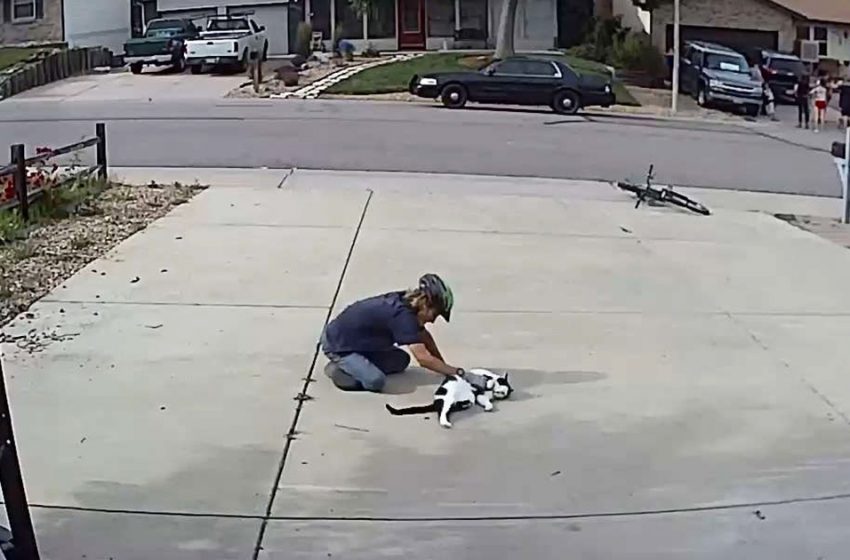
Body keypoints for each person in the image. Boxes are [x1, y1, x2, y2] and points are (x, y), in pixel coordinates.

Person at [319, 273, 467, 392]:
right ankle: (338, 368)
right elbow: (423, 358)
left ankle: (357, 363)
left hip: (360, 341)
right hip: (338, 345)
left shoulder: (409, 304)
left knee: (401, 360)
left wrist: (444, 367)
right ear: (427, 304)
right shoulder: (403, 317)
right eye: (435, 314)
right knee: (375, 381)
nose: (433, 320)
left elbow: (424, 337)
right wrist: (458, 372)